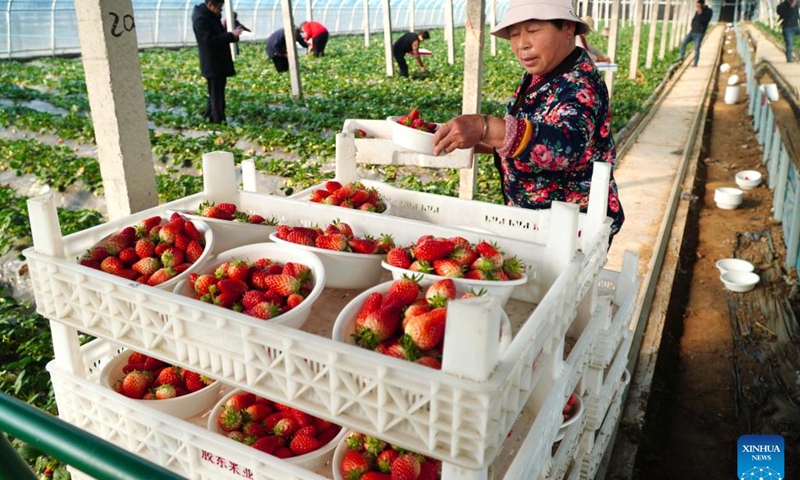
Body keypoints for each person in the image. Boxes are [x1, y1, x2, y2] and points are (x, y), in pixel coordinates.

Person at [431, 0, 624, 242]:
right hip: (535, 220)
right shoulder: (543, 73)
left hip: (571, 230)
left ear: (567, 28)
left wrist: (484, 126)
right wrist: (475, 139)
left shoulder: (580, 85)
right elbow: (526, 133)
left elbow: (565, 146)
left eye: (533, 30)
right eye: (514, 35)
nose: (522, 44)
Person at [192, 0, 243, 124]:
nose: (221, 10)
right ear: (210, 5)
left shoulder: (210, 16)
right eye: (220, 7)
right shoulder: (201, 19)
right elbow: (209, 40)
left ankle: (208, 115)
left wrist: (232, 37)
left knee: (216, 92)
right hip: (212, 63)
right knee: (217, 95)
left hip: (218, 61)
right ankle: (218, 121)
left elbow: (217, 36)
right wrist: (230, 35)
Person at [678, 0, 713, 67]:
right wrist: (693, 25)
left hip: (699, 33)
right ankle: (681, 56)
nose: (697, 7)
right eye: (696, 6)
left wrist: (700, 13)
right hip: (692, 31)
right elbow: (694, 19)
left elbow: (705, 21)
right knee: (683, 42)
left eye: (698, 6)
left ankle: (695, 63)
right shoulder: (697, 11)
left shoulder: (709, 11)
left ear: (702, 4)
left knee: (696, 48)